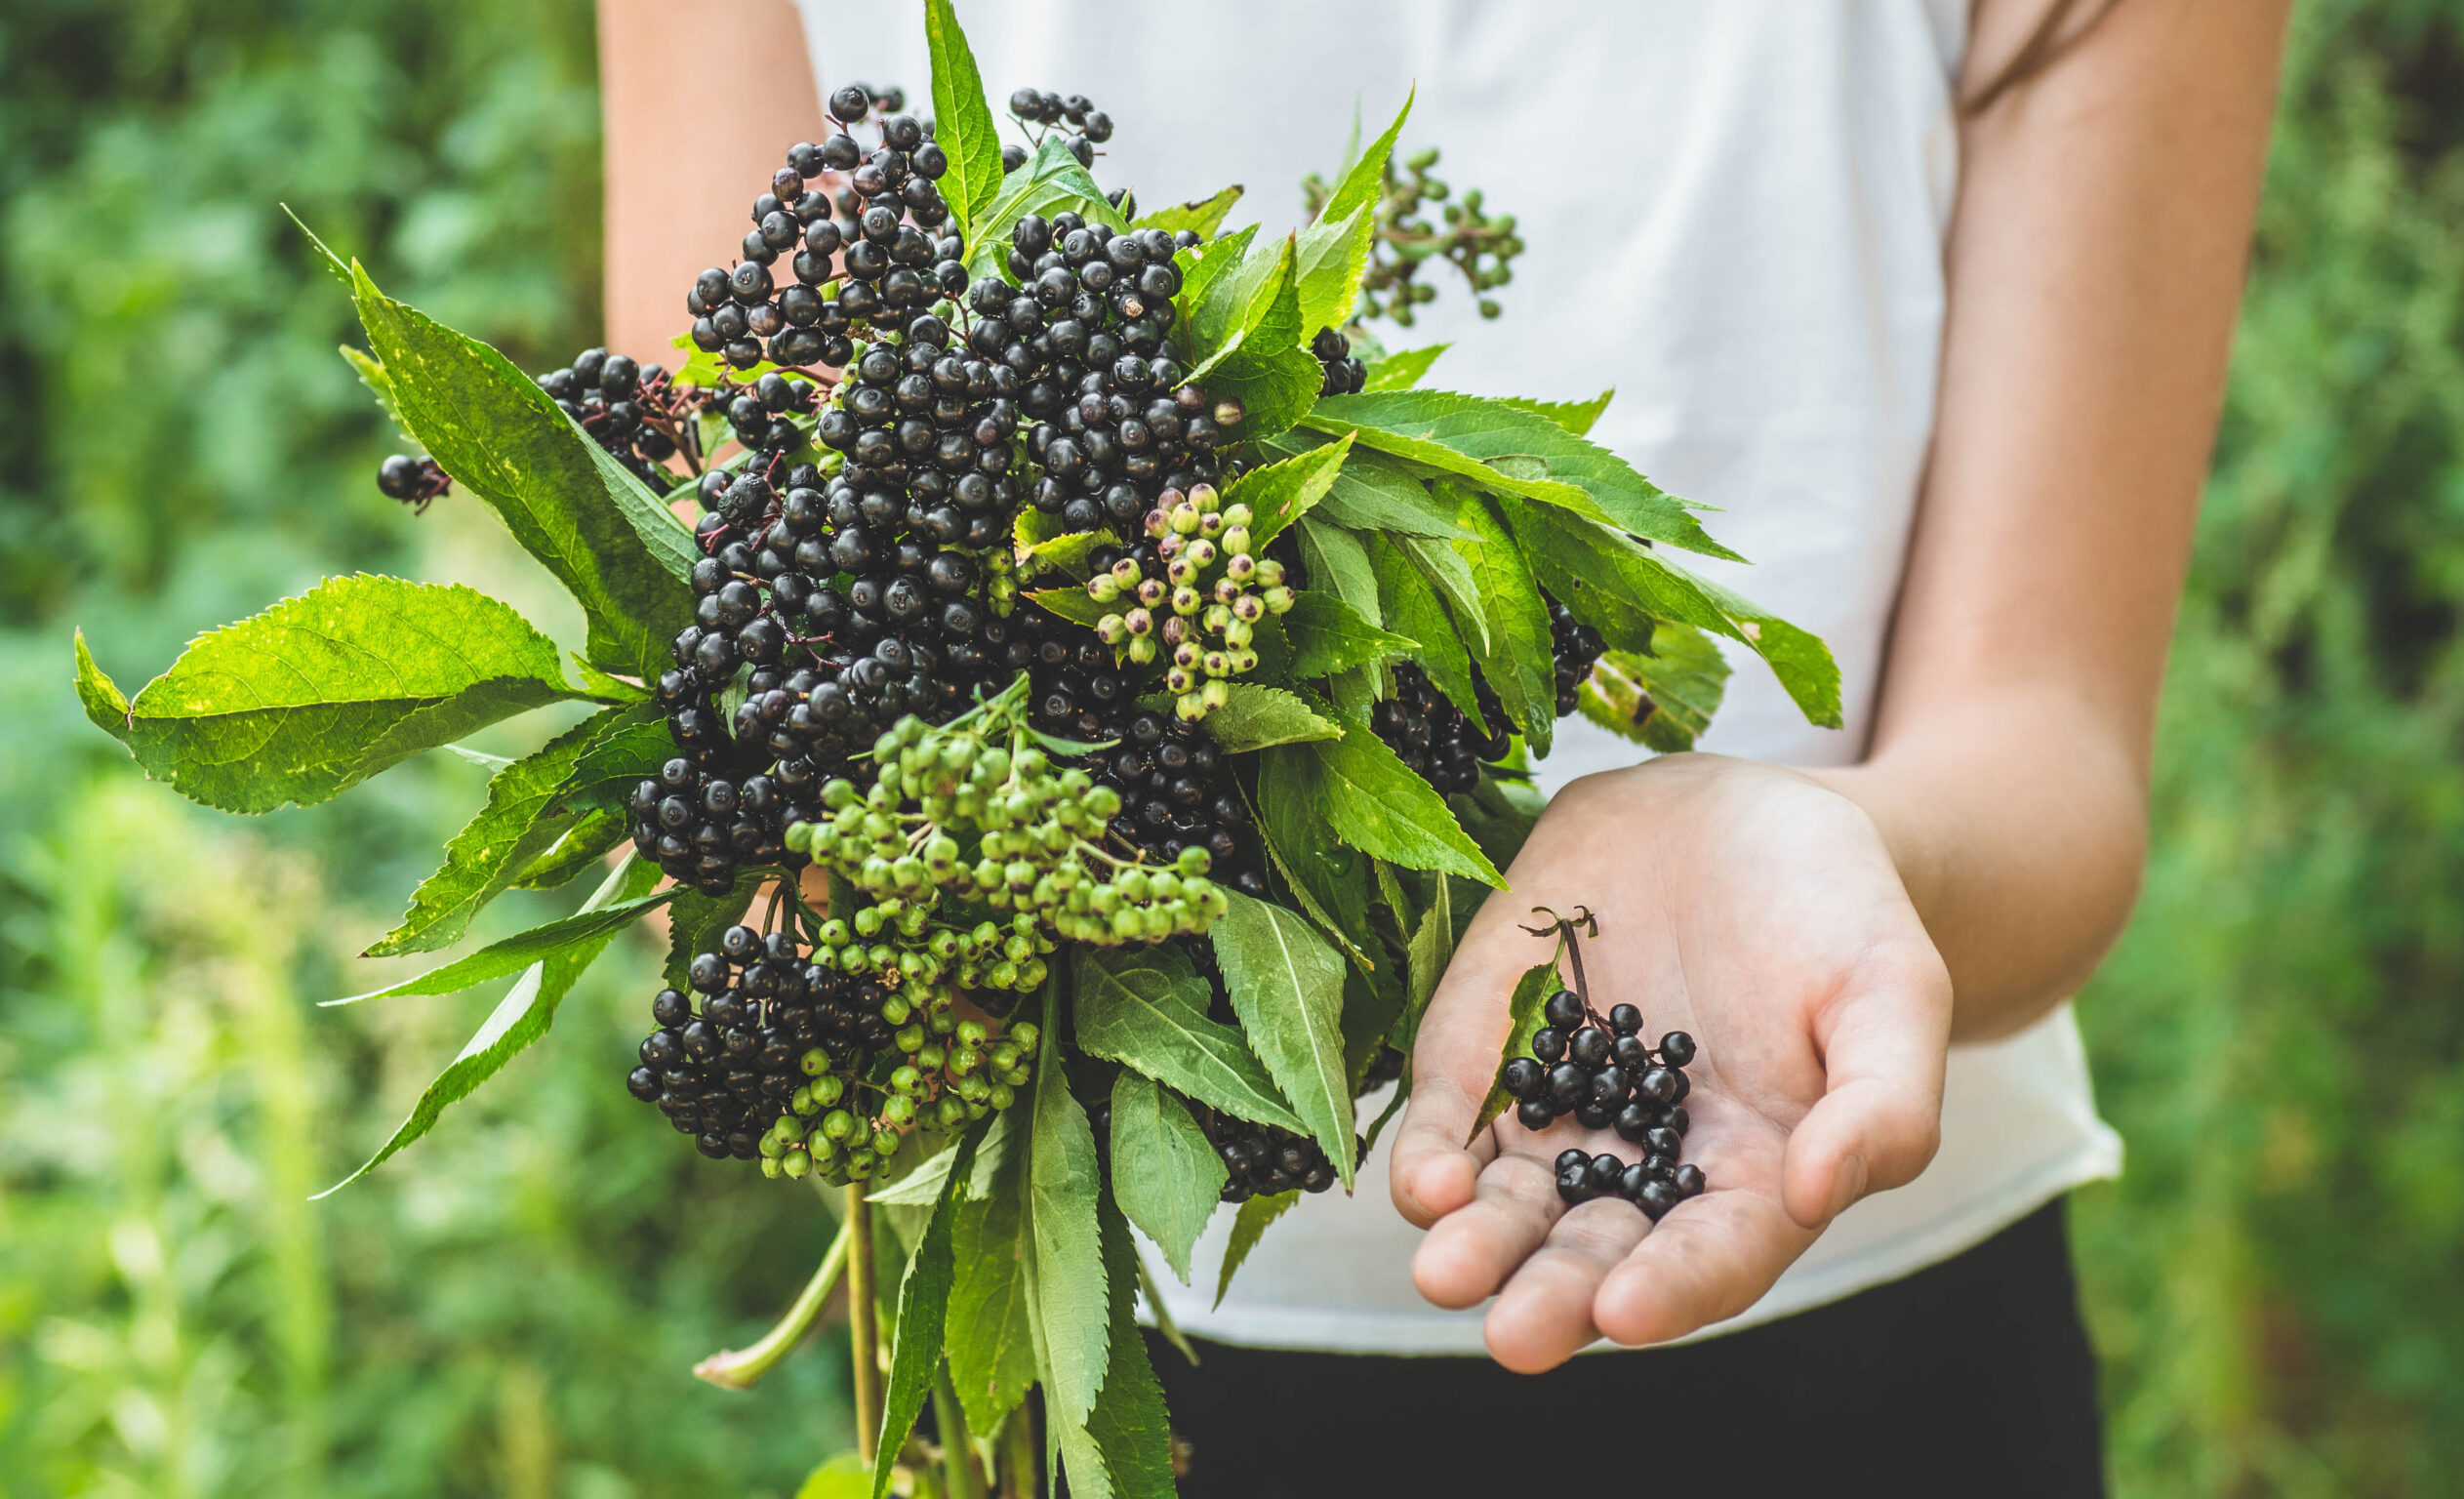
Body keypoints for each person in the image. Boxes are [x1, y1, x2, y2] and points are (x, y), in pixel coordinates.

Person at [598, 1, 2288, 1491]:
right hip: (1107, 1355)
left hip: (1851, 1309)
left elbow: (2047, 744)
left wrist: (1858, 863)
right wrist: (831, 876)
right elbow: (729, 572)